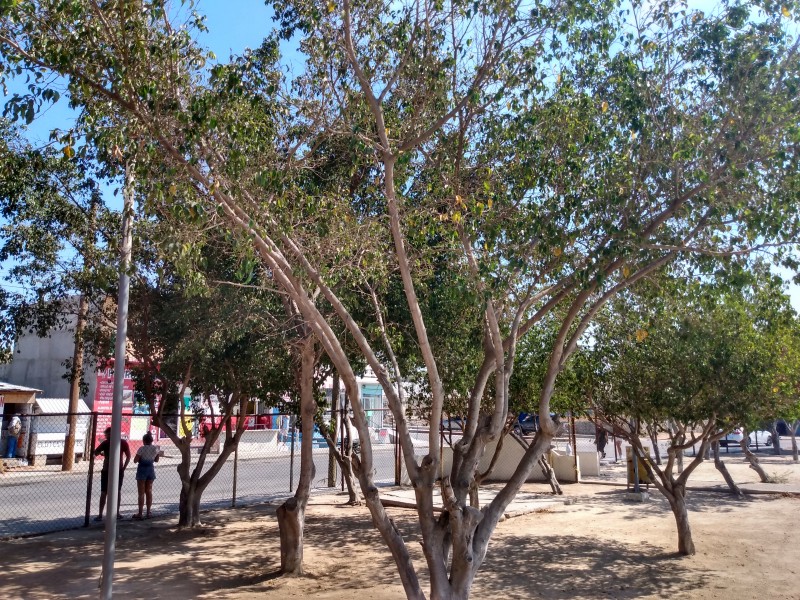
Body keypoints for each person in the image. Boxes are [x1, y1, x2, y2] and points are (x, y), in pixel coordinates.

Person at [94, 427, 131, 521]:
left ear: (110, 434)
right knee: (116, 491)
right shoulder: (122, 442)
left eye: (106, 434)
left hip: (107, 470)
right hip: (118, 469)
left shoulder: (106, 443)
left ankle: (100, 514)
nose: (106, 436)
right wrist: (123, 468)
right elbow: (128, 456)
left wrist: (100, 454)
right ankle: (117, 513)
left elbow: (95, 453)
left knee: (104, 491)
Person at [133, 431, 161, 520]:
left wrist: (141, 457)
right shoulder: (156, 449)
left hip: (142, 470)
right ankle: (148, 512)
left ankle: (140, 513)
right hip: (150, 470)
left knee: (141, 493)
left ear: (143, 441)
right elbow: (156, 460)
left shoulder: (141, 449)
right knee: (149, 491)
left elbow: (135, 460)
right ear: (152, 440)